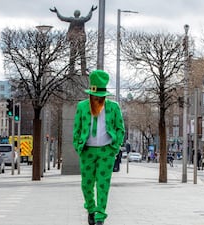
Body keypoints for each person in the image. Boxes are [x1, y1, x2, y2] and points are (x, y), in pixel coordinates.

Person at [73, 70, 125, 225]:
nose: (97, 99)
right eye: (95, 96)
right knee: (86, 184)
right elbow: (77, 128)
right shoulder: (82, 106)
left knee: (103, 184)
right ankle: (91, 208)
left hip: (106, 151)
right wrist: (78, 146)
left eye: (101, 97)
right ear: (90, 94)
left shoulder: (113, 107)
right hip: (87, 151)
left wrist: (114, 147)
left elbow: (120, 129)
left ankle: (100, 216)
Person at [50, 5, 97, 76]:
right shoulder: (82, 20)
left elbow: (62, 18)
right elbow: (88, 17)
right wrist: (91, 10)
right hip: (81, 39)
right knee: (83, 56)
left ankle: (71, 72)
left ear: (74, 14)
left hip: (73, 39)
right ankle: (83, 72)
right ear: (79, 14)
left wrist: (57, 12)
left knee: (72, 56)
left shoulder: (72, 19)